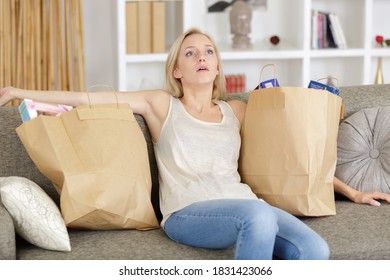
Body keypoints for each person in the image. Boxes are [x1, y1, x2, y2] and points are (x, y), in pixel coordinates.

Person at [1, 28, 388, 259]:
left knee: (315, 251)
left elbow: (290, 159)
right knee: (257, 216)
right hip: (188, 213)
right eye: (190, 53)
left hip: (250, 206)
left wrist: (350, 192)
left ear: (217, 66)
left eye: (208, 52)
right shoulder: (160, 104)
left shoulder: (238, 110)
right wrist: (18, 90)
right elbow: (88, 98)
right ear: (177, 70)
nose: (201, 57)